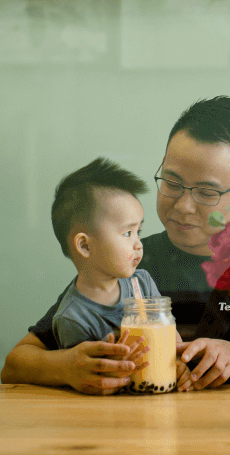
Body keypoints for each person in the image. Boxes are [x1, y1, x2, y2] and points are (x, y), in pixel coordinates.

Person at [1, 97, 230, 394]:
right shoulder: (127, 263)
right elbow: (15, 364)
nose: (183, 205)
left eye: (207, 192)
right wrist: (68, 365)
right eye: (171, 183)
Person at [44, 158, 193, 391]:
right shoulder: (72, 319)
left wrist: (178, 363)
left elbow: (170, 337)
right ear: (85, 246)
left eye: (138, 231)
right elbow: (90, 378)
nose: (138, 244)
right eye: (127, 233)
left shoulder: (141, 282)